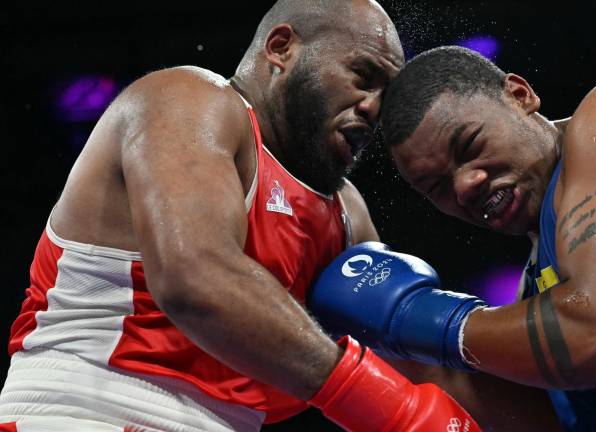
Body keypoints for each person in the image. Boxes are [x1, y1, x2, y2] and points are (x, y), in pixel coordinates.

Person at [0, 4, 486, 431]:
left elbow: (418, 359)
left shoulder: (344, 211)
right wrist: (391, 409)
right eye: (363, 76)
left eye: (386, 93)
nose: (373, 107)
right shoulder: (188, 101)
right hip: (86, 409)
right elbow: (195, 279)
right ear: (281, 47)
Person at [309, 46, 596, 431]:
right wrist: (386, 343)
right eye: (436, 187)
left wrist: (418, 316)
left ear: (519, 94)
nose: (465, 185)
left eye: (470, 146)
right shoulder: (540, 286)